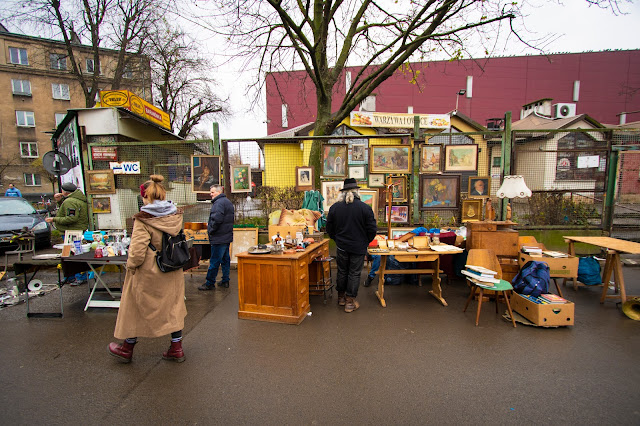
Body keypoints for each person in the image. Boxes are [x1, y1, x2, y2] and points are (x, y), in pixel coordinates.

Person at [108, 175, 187, 363]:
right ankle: (176, 348)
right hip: (172, 268)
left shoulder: (143, 220)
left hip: (150, 272)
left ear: (146, 197)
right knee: (173, 307)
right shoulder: (175, 215)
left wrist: (131, 267)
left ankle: (126, 348)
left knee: (135, 307)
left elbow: (136, 252)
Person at [326, 178, 377, 312]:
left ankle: (341, 298)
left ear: (343, 193)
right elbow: (372, 229)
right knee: (354, 273)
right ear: (356, 192)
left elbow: (329, 228)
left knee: (342, 271)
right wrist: (365, 241)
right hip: (358, 247)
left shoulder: (335, 207)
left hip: (342, 246)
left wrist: (336, 239)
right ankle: (350, 302)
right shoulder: (365, 208)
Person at [198, 184, 234, 291]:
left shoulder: (218, 203)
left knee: (214, 261)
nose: (211, 194)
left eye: (213, 192)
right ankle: (225, 280)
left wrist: (211, 230)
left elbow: (217, 219)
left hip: (219, 237)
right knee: (225, 259)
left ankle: (210, 283)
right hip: (226, 236)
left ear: (219, 192)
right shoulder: (227, 202)